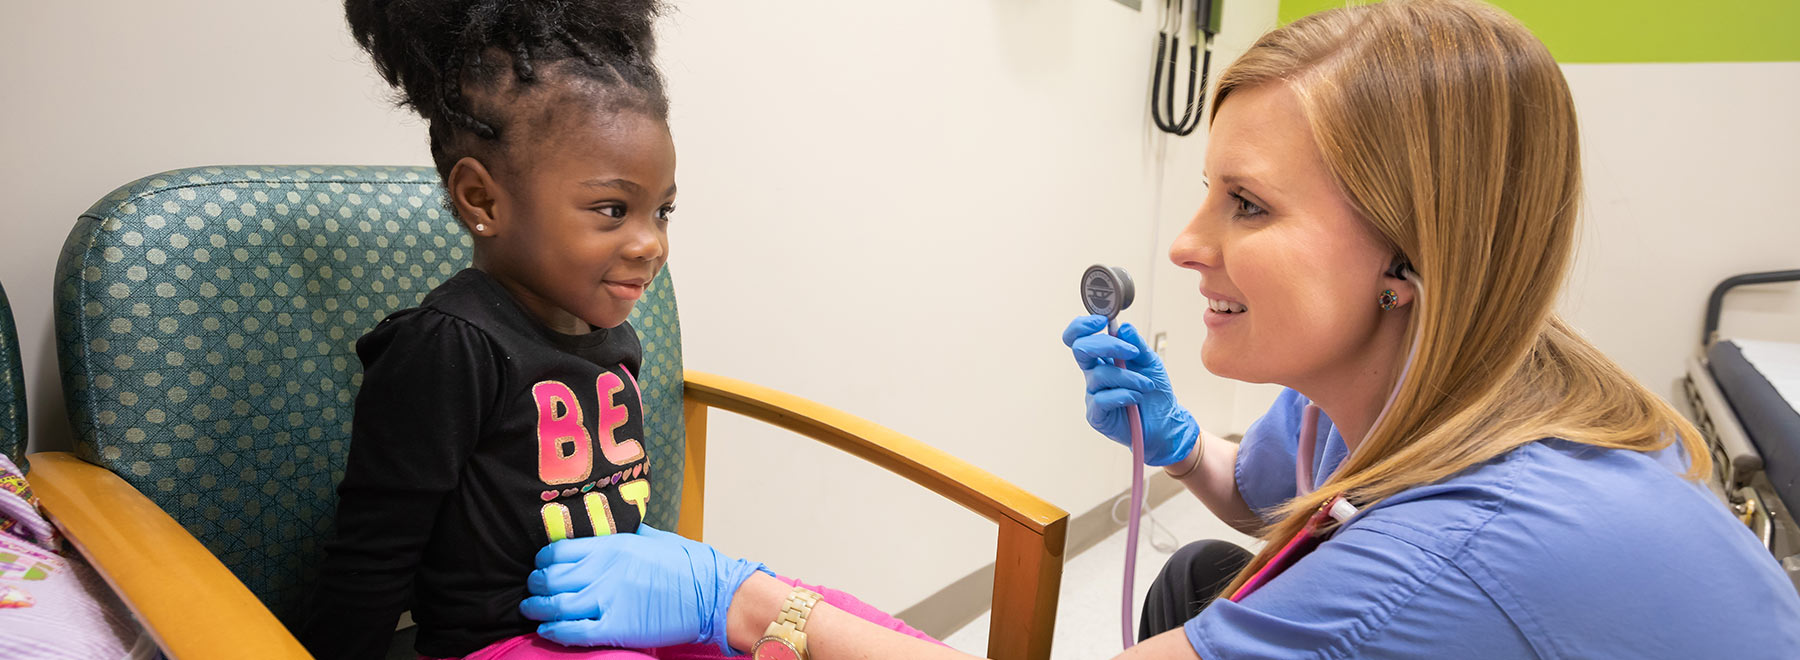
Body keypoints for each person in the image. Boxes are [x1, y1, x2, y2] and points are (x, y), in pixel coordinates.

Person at [517, 1, 1800, 658]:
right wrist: (1182, 445)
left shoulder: (1443, 566)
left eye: (1246, 205)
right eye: (1204, 190)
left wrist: (751, 601)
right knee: (1199, 578)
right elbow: (1261, 494)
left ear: (1412, 260)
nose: (1186, 247)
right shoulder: (1441, 371)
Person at [295, 2, 938, 659]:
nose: (651, 243)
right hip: (505, 641)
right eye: (612, 209)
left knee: (838, 622)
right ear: (483, 200)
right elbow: (372, 554)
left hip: (622, 619)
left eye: (662, 211)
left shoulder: (610, 332)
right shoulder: (451, 345)